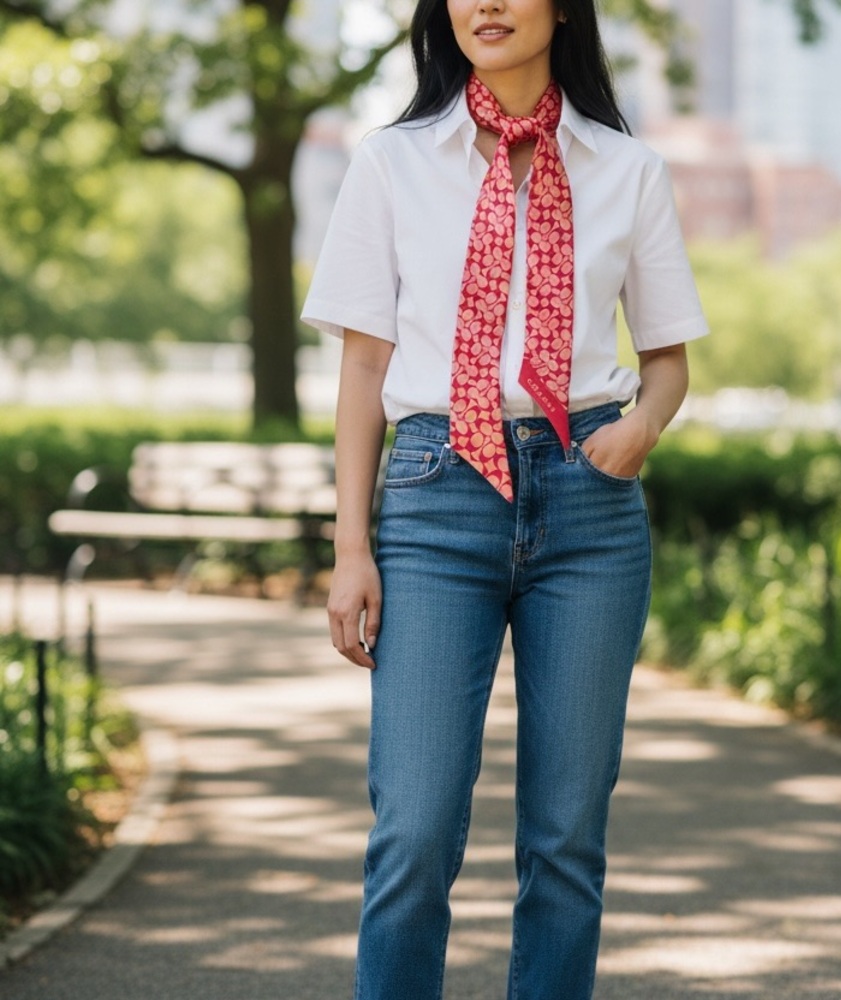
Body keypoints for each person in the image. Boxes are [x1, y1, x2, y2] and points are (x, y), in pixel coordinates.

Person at [301, 1, 708, 996]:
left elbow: (666, 361)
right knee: (415, 824)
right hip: (437, 498)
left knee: (567, 837)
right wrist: (352, 548)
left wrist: (639, 431)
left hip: (587, 507)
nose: (486, 2)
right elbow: (362, 373)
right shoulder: (391, 163)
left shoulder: (626, 167)